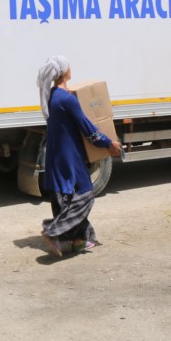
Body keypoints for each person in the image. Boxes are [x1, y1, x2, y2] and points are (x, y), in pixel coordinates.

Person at [36, 56, 122, 257]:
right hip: (69, 157)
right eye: (69, 66)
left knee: (66, 197)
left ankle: (78, 241)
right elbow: (87, 128)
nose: (71, 69)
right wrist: (109, 144)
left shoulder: (53, 96)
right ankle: (53, 231)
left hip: (57, 155)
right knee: (85, 195)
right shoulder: (67, 99)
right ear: (64, 71)